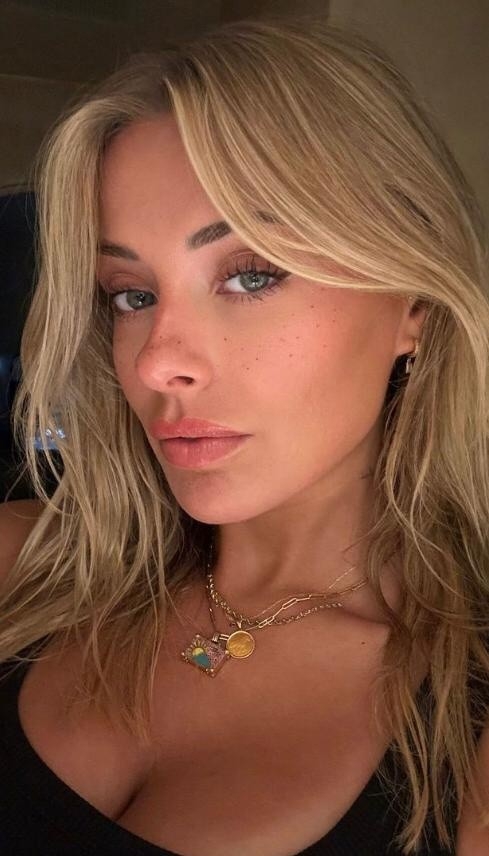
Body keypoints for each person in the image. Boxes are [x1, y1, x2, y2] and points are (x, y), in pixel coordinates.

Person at [0, 13, 488, 856]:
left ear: (411, 303)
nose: (157, 362)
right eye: (131, 295)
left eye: (251, 276)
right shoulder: (22, 569)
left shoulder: (463, 734)